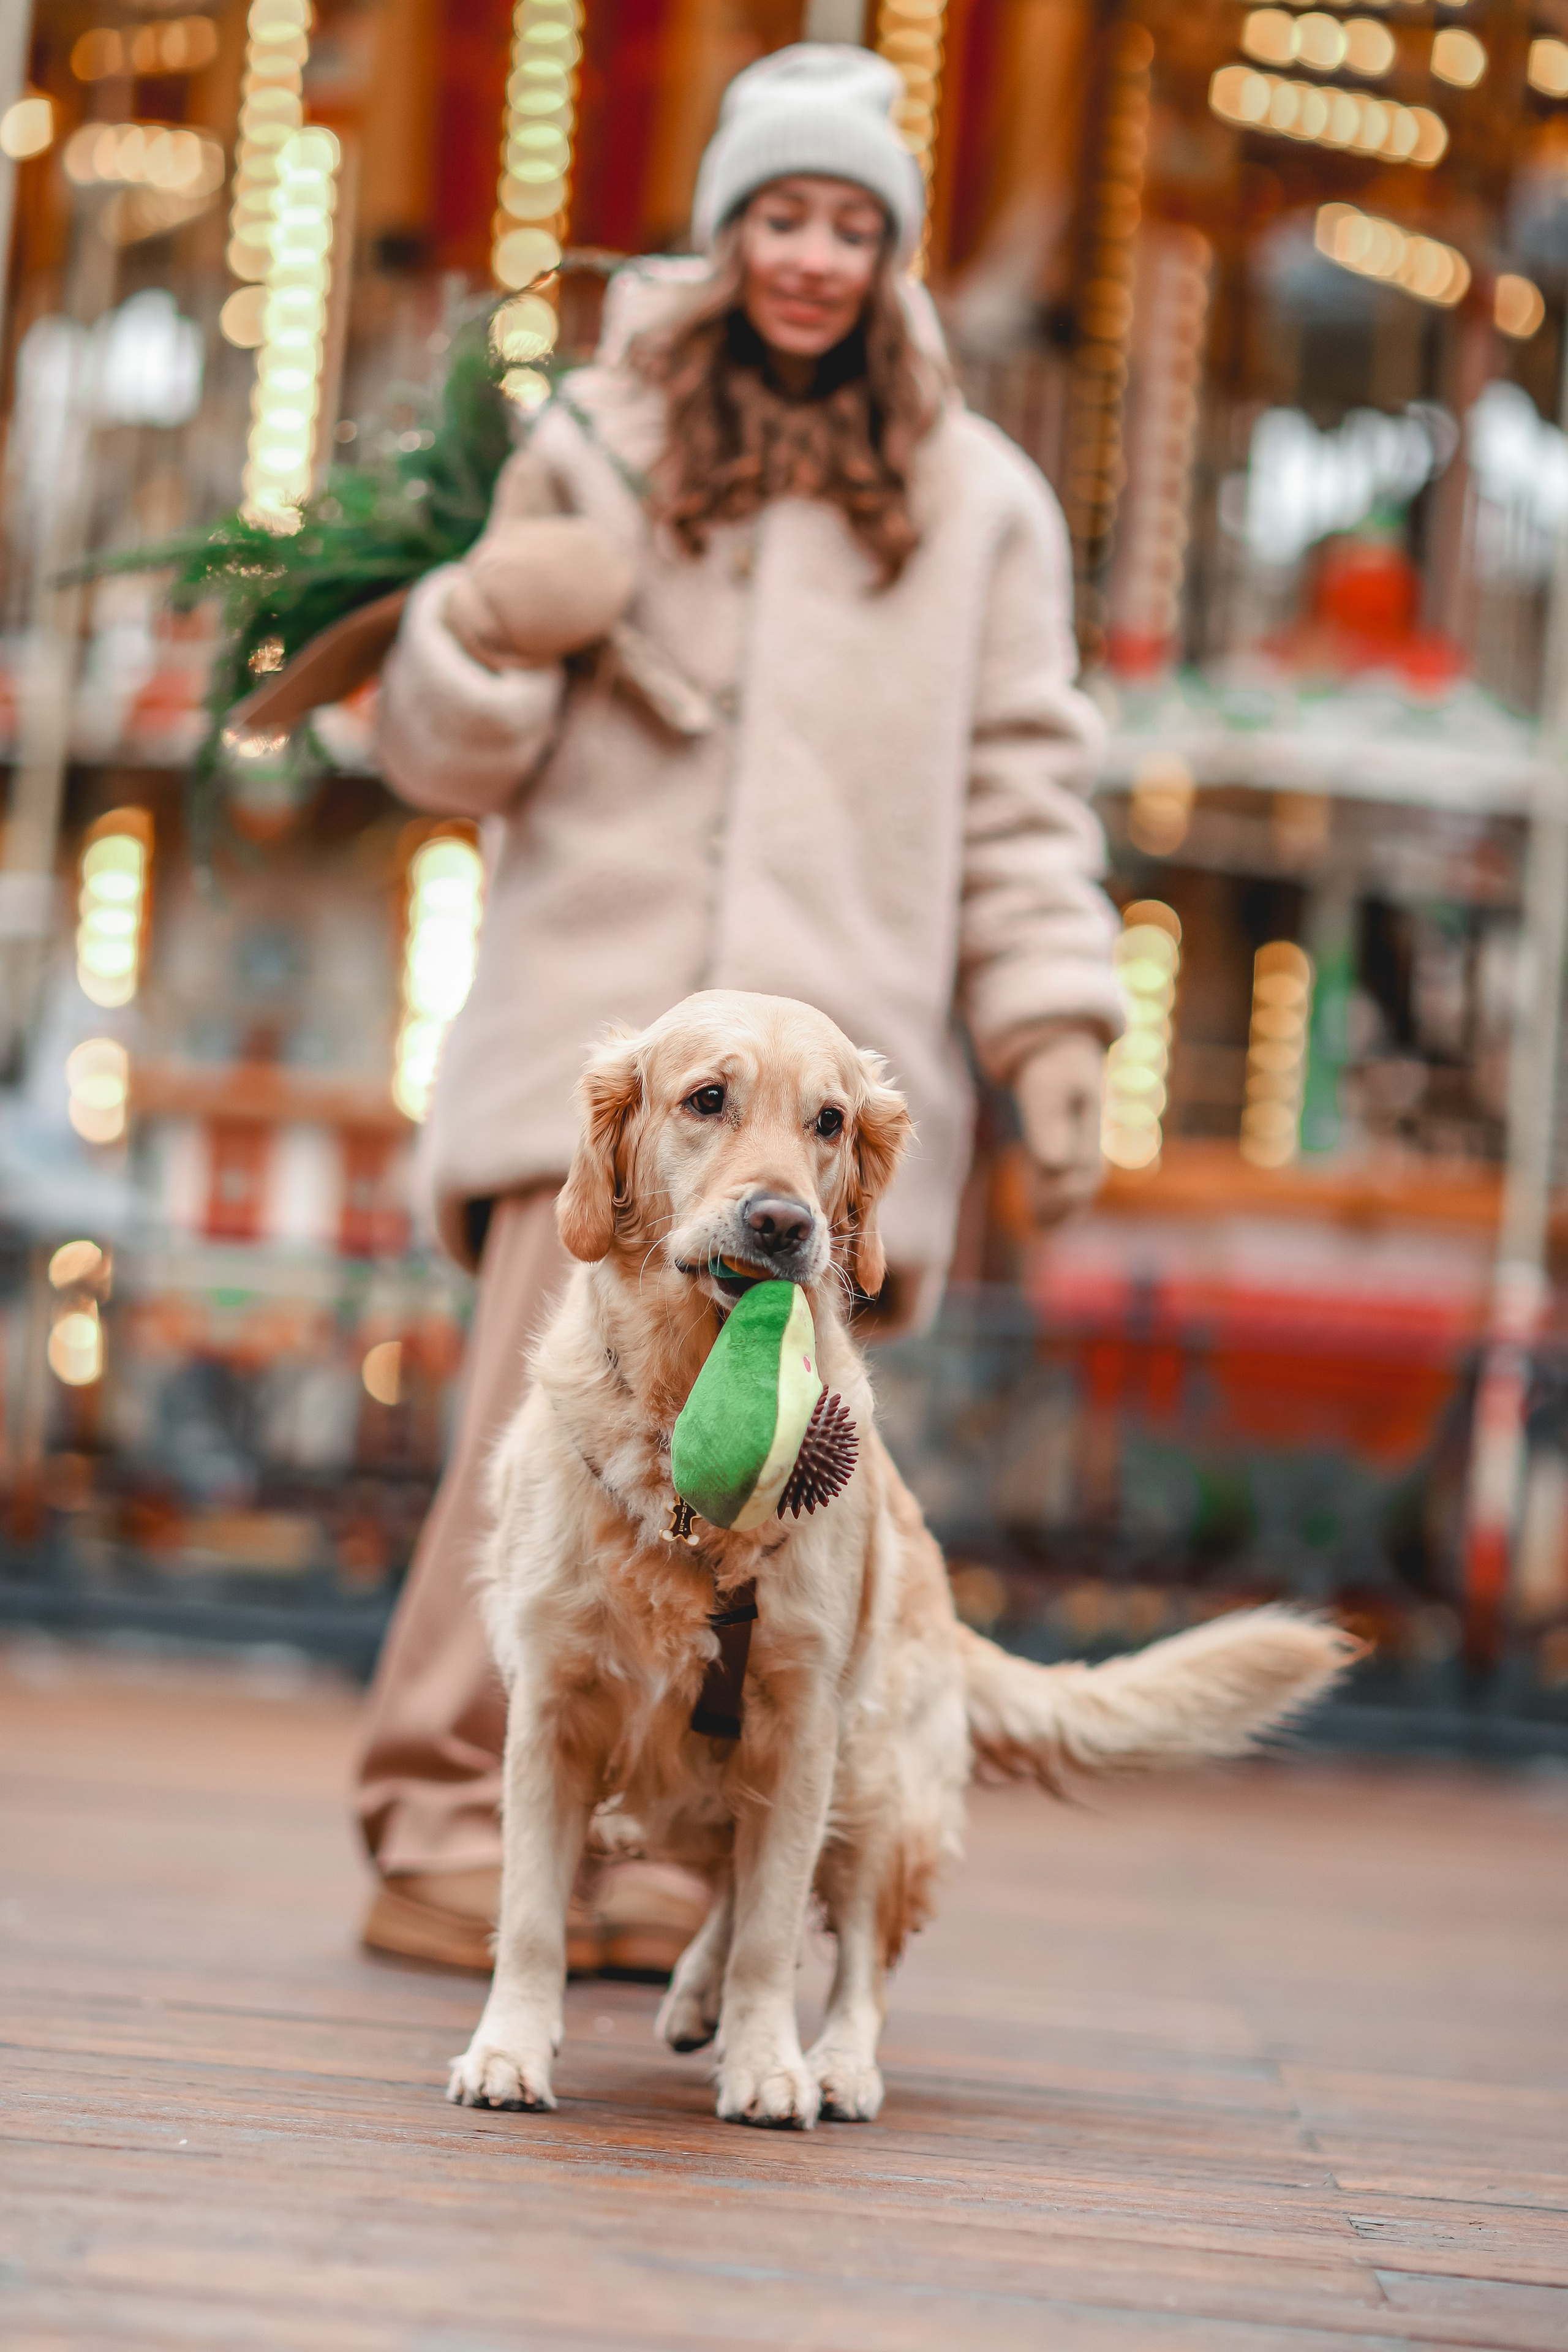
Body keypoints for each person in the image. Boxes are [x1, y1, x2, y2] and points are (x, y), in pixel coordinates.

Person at [356, 42, 1123, 1975]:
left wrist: (1055, 1029)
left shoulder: (983, 508)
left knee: (778, 1481)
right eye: (780, 215)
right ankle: (459, 1817)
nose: (812, 255)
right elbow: (450, 754)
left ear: (893, 253)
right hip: (600, 1063)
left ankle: (710, 1862)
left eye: (852, 224)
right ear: (724, 234)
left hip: (826, 1084)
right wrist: (475, 624)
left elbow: (1026, 786)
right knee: (548, 1447)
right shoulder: (596, 444)